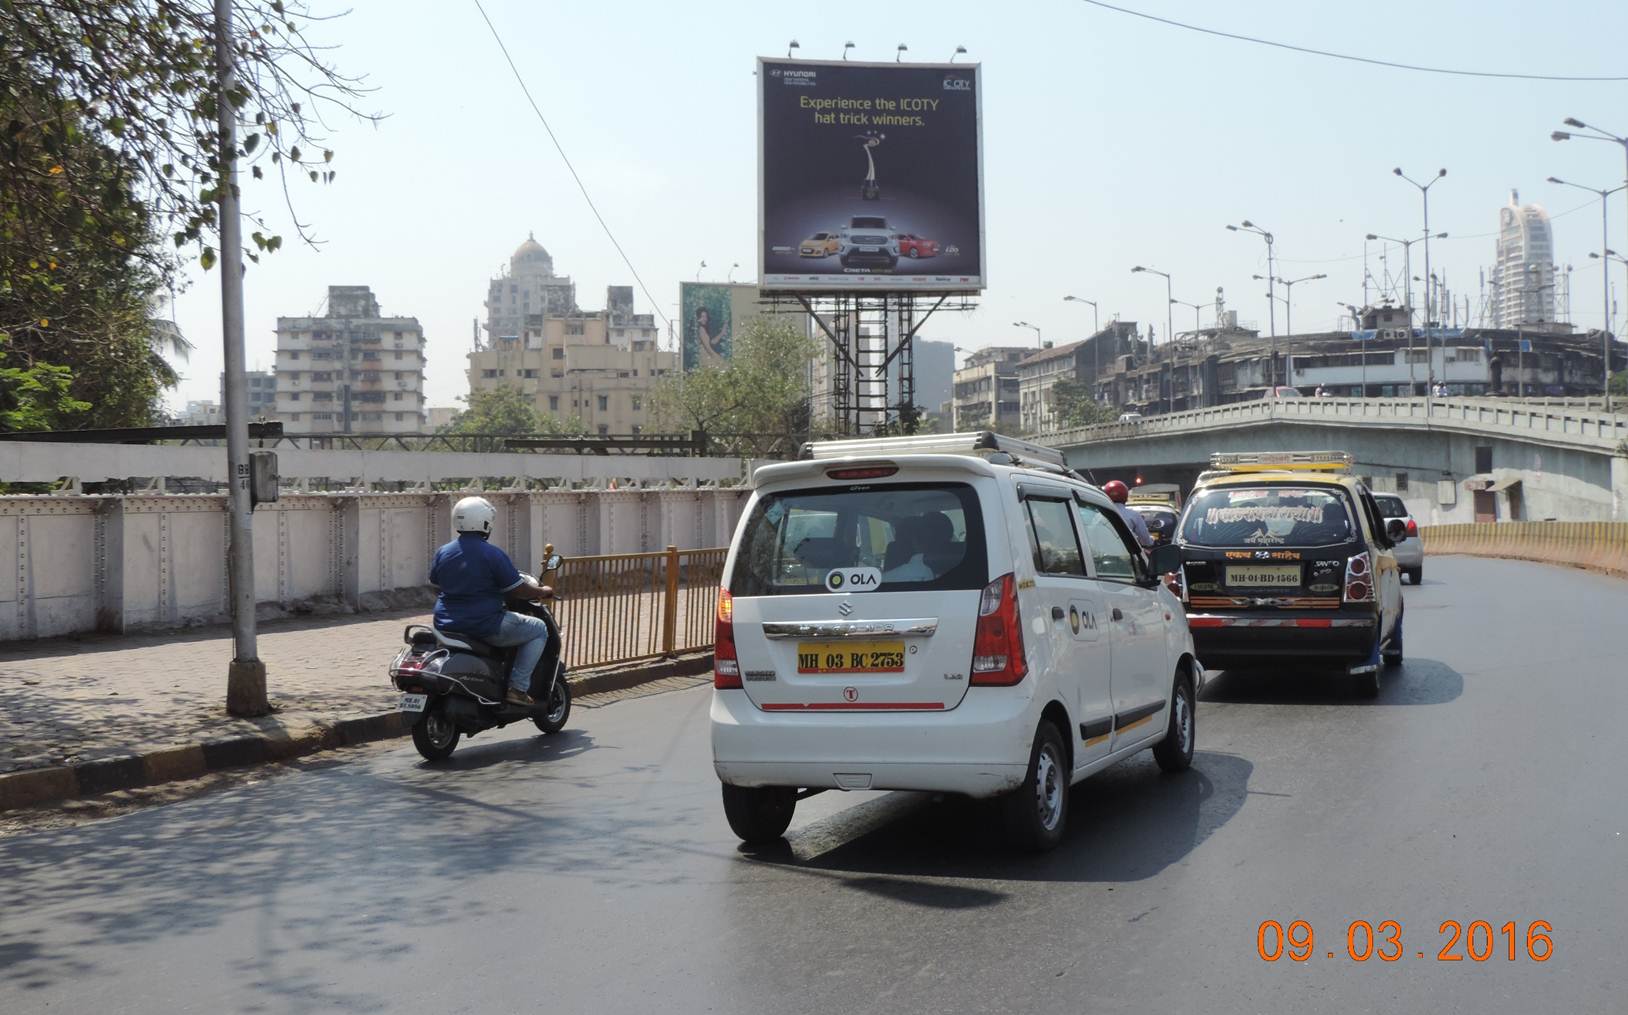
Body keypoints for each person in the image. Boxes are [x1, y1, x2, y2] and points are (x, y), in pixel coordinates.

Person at [430, 496, 554, 706]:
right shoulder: (492, 554)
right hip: (484, 624)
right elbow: (518, 589)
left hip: (445, 624)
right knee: (539, 628)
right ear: (485, 523)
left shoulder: (443, 552)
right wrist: (542, 591)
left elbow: (435, 582)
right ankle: (518, 688)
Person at [1102, 480, 1154, 551]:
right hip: (1126, 556)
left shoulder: (1098, 513)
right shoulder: (1134, 515)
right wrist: (1151, 540)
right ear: (1125, 496)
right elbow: (1145, 540)